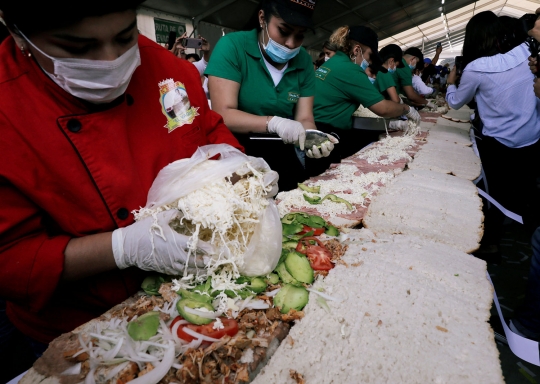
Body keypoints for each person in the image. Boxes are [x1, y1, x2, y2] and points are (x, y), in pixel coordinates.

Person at [0, 0, 242, 358]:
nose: (110, 61)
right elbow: (11, 258)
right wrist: (124, 246)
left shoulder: (167, 70)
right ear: (17, 34)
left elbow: (206, 129)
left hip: (192, 292)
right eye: (77, 48)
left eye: (126, 36)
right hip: (78, 326)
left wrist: (238, 165)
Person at [206, 0, 337, 192]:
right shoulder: (233, 47)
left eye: (300, 35)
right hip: (237, 152)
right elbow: (223, 113)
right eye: (283, 31)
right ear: (262, 19)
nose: (291, 43)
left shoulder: (303, 61)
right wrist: (274, 123)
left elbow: (305, 117)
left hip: (281, 150)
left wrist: (311, 138)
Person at [446, 10, 540, 259]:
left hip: (497, 143)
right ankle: (531, 238)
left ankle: (491, 242)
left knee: (494, 195)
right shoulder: (526, 52)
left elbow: (456, 103)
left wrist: (450, 83)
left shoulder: (476, 68)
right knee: (528, 190)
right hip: (531, 138)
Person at [311, 25, 421, 170]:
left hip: (311, 128)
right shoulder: (351, 70)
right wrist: (406, 109)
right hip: (325, 135)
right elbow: (382, 108)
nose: (369, 62)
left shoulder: (333, 62)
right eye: (368, 56)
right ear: (356, 50)